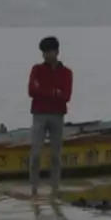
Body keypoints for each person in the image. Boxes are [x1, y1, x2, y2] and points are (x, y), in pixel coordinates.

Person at [27, 36, 73, 199]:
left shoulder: (66, 72)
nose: (46, 55)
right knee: (36, 154)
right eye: (44, 52)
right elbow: (31, 91)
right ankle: (34, 188)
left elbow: (66, 96)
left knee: (56, 155)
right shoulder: (37, 69)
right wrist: (54, 92)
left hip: (57, 115)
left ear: (57, 52)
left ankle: (55, 188)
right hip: (39, 114)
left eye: (49, 52)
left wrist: (44, 90)